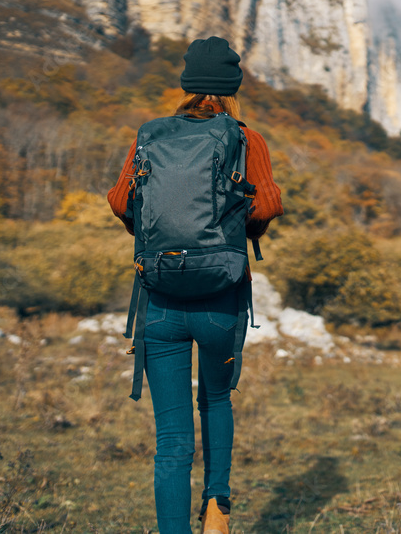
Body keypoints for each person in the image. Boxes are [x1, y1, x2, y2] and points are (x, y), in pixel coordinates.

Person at [107, 36, 284, 534]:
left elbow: (122, 201)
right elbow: (267, 205)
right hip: (220, 300)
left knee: (171, 442)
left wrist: (154, 235)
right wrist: (236, 227)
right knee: (217, 400)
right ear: (232, 88)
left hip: (160, 300)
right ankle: (216, 508)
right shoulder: (246, 138)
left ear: (186, 86)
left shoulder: (151, 135)